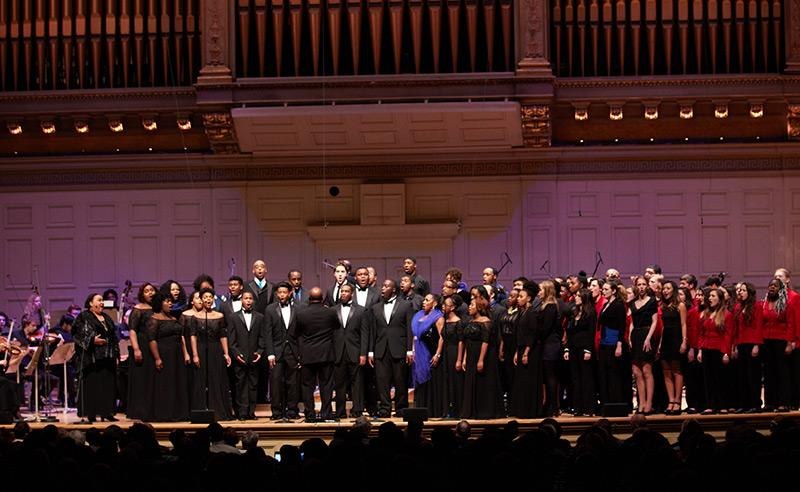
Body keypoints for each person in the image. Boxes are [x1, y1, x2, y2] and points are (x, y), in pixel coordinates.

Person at [369, 279, 414, 418]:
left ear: (394, 289)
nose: (383, 288)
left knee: (400, 380)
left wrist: (409, 349)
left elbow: (409, 329)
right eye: (382, 285)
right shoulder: (375, 308)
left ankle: (401, 408)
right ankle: (384, 408)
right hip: (381, 349)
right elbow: (372, 331)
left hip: (399, 348)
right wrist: (370, 351)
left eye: (386, 286)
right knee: (382, 381)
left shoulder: (406, 305)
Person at [73, 293, 120, 422]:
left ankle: (107, 412)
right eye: (99, 300)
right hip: (92, 358)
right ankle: (91, 413)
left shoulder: (106, 317)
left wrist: (116, 354)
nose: (102, 303)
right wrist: (92, 340)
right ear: (90, 303)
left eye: (102, 301)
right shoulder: (84, 316)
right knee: (93, 385)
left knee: (107, 385)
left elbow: (113, 336)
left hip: (107, 357)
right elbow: (77, 332)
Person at [146, 291, 190, 421]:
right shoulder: (154, 319)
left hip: (176, 354)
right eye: (167, 301)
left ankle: (177, 412)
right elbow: (152, 339)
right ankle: (164, 413)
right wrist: (157, 358)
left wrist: (185, 353)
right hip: (164, 353)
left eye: (171, 301)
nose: (170, 303)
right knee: (165, 383)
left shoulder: (174, 319)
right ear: (160, 303)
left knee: (176, 382)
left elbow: (180, 337)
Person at [295, 287, 338, 421]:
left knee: (308, 386)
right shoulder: (330, 312)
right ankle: (326, 413)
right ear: (322, 298)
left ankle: (310, 414)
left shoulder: (301, 314)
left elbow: (296, 333)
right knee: (327, 385)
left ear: (309, 298)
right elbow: (336, 327)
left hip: (308, 354)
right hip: (326, 353)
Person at [191, 288, 233, 420]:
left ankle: (219, 411)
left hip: (216, 349)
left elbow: (223, 336)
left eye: (210, 297)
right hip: (201, 349)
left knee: (217, 379)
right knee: (201, 380)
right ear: (201, 300)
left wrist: (226, 353)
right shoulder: (195, 317)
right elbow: (193, 336)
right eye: (205, 297)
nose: (208, 299)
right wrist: (195, 355)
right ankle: (200, 411)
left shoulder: (219, 316)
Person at [459, 297, 503, 419]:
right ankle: (472, 411)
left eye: (472, 305)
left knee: (483, 382)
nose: (469, 307)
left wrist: (481, 360)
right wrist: (464, 358)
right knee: (471, 382)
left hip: (483, 355)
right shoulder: (470, 321)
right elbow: (467, 341)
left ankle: (484, 411)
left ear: (479, 307)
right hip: (471, 355)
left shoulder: (486, 322)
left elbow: (485, 342)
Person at [265, 282, 301, 420]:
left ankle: (292, 410)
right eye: (279, 292)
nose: (281, 295)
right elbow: (267, 333)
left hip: (293, 352)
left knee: (293, 383)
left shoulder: (298, 309)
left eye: (284, 292)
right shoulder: (270, 309)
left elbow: (300, 333)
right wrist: (270, 353)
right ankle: (276, 412)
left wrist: (300, 354)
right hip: (276, 352)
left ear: (290, 293)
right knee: (275, 383)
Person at [332, 284, 369, 418]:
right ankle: (340, 411)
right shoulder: (333, 310)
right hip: (338, 352)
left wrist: (363, 353)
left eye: (346, 291)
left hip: (355, 351)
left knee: (357, 383)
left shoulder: (361, 311)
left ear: (352, 294)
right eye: (342, 291)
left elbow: (365, 334)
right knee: (340, 383)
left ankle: (357, 410)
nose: (343, 293)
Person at [227, 290, 265, 420]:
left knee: (253, 385)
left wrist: (260, 352)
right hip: (240, 357)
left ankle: (251, 412)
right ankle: (242, 413)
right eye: (246, 298)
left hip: (254, 357)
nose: (248, 301)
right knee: (241, 385)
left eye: (250, 298)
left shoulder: (260, 317)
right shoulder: (233, 317)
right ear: (241, 300)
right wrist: (236, 354)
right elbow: (231, 340)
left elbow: (262, 337)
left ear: (253, 301)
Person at [411, 293, 447, 417]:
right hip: (419, 354)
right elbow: (415, 336)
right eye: (424, 300)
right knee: (420, 383)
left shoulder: (438, 317)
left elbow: (442, 337)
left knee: (431, 383)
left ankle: (432, 411)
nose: (424, 302)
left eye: (427, 300)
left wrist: (437, 354)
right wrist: (413, 351)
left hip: (431, 353)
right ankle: (421, 410)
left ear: (434, 303)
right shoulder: (418, 316)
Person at [628, 276, 658, 414]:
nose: (641, 287)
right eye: (639, 284)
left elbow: (654, 321)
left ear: (647, 286)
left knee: (647, 370)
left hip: (647, 335)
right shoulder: (633, 303)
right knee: (637, 372)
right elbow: (633, 322)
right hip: (635, 336)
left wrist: (648, 338)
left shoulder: (652, 301)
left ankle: (649, 403)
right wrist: (629, 337)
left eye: (643, 284)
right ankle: (641, 403)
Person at [564, 288, 596, 416]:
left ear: (584, 298)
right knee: (575, 378)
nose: (575, 297)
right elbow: (569, 332)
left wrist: (588, 349)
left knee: (586, 378)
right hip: (573, 348)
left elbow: (591, 332)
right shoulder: (574, 312)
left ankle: (589, 407)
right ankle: (578, 408)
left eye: (578, 295)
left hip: (584, 349)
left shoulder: (590, 313)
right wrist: (566, 348)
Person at [126, 282, 156, 420]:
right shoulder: (138, 309)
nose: (150, 293)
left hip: (154, 345)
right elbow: (132, 330)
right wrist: (136, 349)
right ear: (142, 294)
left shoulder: (156, 308)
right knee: (141, 378)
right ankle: (139, 410)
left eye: (152, 290)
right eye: (146, 291)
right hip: (142, 344)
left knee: (152, 378)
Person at [658, 280, 688, 415]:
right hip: (666, 340)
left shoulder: (680, 305)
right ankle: (670, 400)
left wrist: (684, 341)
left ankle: (677, 401)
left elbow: (683, 324)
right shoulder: (663, 306)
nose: (665, 291)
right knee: (666, 371)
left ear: (673, 290)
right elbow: (663, 326)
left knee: (677, 371)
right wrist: (659, 344)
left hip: (676, 339)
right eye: (664, 288)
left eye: (668, 288)